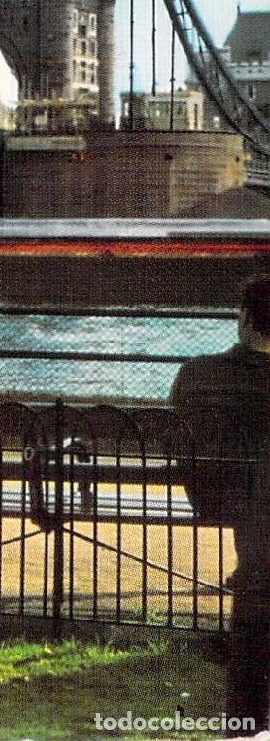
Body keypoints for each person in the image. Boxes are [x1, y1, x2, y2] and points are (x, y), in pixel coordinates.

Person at [168, 276, 270, 736]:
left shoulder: (198, 373)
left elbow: (177, 437)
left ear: (244, 318)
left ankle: (245, 722)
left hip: (219, 497)